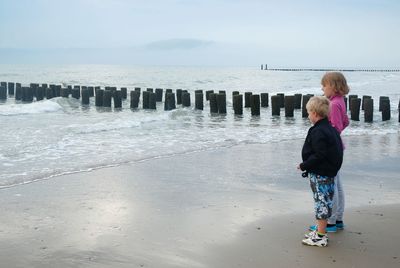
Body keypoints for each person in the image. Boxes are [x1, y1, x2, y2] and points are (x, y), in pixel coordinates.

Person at [298, 96, 343, 247]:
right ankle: (320, 231)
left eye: (309, 112)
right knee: (324, 201)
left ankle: (320, 237)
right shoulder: (331, 129)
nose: (308, 115)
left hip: (321, 173)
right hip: (329, 172)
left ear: (315, 113)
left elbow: (320, 154)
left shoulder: (319, 131)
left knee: (321, 203)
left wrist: (304, 165)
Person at [309, 72, 350, 233]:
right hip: (336, 148)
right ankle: (338, 219)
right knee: (337, 185)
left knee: (330, 185)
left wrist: (325, 137)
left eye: (324, 85)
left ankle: (331, 222)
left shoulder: (334, 105)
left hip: (331, 150)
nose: (322, 88)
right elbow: (346, 121)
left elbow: (338, 127)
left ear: (333, 86)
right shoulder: (338, 101)